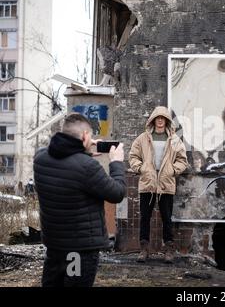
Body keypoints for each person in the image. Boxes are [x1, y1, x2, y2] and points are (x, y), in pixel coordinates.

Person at [33, 113, 126, 287]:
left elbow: (67, 164)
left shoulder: (40, 159)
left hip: (55, 247)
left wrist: (85, 153)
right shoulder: (87, 167)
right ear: (84, 136)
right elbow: (117, 193)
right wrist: (116, 163)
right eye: (90, 136)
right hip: (78, 252)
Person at [129, 106, 188, 263]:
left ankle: (168, 250)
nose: (160, 120)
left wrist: (172, 170)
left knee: (167, 218)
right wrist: (141, 168)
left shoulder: (175, 140)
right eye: (158, 117)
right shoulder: (143, 138)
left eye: (163, 118)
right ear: (153, 120)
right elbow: (133, 156)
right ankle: (144, 250)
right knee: (145, 217)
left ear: (167, 121)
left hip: (166, 182)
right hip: (148, 181)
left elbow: (182, 160)